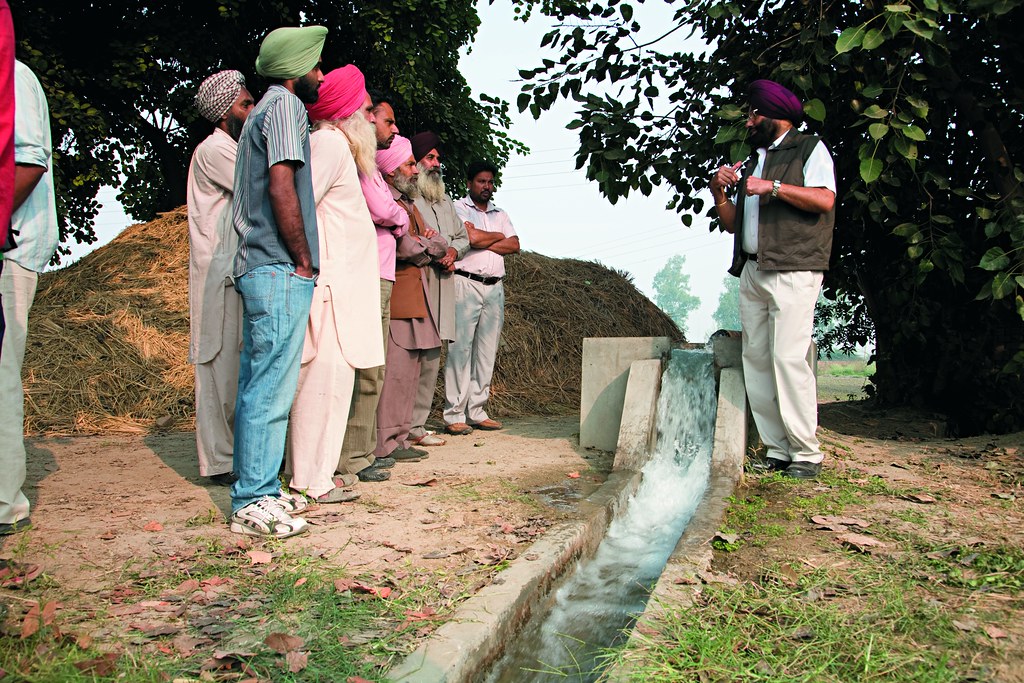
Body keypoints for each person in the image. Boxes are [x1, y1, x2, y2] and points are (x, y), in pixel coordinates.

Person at [708, 79, 836, 481]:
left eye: (754, 114)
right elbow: (732, 224)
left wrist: (774, 187)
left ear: (775, 115)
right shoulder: (753, 159)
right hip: (752, 269)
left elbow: (825, 199)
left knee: (787, 358)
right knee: (757, 359)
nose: (748, 122)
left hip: (794, 268)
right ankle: (778, 449)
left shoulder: (809, 148)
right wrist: (720, 193)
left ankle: (806, 453)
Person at [229, 25, 327, 537]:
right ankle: (254, 499)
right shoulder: (286, 108)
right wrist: (304, 259)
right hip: (277, 266)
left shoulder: (260, 112)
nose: (320, 75)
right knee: (271, 388)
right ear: (295, 69)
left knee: (256, 384)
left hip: (258, 265)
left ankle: (257, 489)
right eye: (315, 65)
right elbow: (281, 183)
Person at [287, 65, 385, 502]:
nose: (369, 118)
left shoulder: (335, 146)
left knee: (333, 386)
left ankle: (315, 476)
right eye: (365, 110)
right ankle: (311, 481)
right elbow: (297, 207)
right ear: (346, 112)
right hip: (330, 293)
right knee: (321, 387)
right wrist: (310, 268)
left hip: (340, 293)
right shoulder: (328, 143)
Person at [186, 70, 254, 487]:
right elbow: (256, 188)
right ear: (225, 111)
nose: (252, 111)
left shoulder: (233, 147)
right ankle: (218, 461)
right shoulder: (216, 149)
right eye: (246, 104)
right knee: (216, 366)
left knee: (234, 369)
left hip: (235, 272)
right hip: (217, 275)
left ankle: (234, 455)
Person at [338, 93, 409, 483]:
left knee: (375, 371)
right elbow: (387, 213)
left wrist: (396, 218)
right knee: (365, 370)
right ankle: (353, 457)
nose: (393, 129)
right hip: (367, 274)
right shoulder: (361, 168)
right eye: (387, 120)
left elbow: (396, 216)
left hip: (383, 276)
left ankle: (363, 453)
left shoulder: (374, 172)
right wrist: (397, 219)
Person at [0, 59, 58, 537]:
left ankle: (3, 503)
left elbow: (29, 161)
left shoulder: (11, 73)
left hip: (9, 244)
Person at [374, 135, 448, 461]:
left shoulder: (409, 205)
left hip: (417, 298)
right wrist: (424, 246)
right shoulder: (385, 203)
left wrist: (424, 244)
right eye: (408, 164)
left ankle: (401, 439)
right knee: (395, 377)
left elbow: (441, 244)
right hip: (401, 299)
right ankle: (384, 444)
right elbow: (406, 248)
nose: (415, 170)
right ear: (391, 171)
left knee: (410, 376)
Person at [444, 161, 519, 435]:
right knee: (460, 349)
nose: (486, 186)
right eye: (481, 181)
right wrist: (495, 236)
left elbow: (515, 245)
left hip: (494, 286)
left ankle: (477, 411)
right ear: (469, 183)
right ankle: (454, 415)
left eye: (490, 182)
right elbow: (469, 238)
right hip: (466, 283)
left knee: (487, 351)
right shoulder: (459, 208)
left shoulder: (501, 213)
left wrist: (484, 238)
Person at [409, 132, 469, 447]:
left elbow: (462, 236)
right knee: (411, 358)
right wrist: (437, 251)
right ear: (416, 162)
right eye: (430, 158)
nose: (436, 163)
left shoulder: (444, 200)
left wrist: (453, 252)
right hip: (420, 282)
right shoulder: (410, 197)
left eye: (437, 158)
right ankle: (401, 428)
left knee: (432, 356)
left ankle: (416, 427)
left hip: (445, 284)